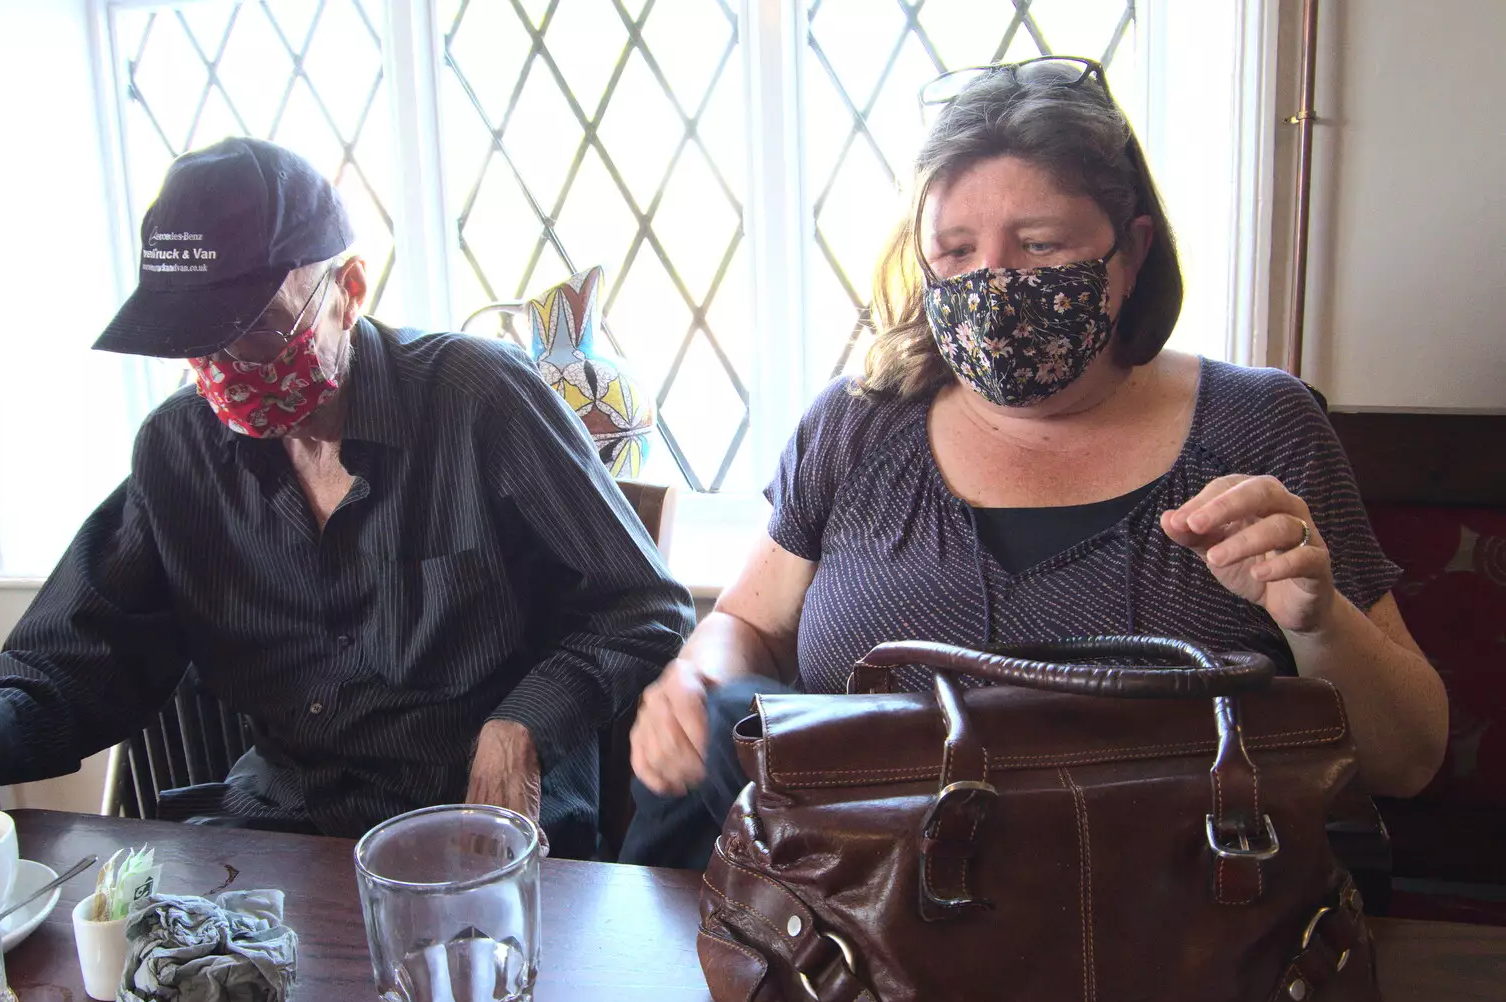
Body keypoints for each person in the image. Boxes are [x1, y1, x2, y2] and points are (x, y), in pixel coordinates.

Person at [620, 58, 1447, 869]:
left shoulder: (1262, 425)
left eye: (1041, 245)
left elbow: (1406, 760)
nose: (993, 283)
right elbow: (750, 625)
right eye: (954, 250)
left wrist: (1319, 620)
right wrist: (697, 684)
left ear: (1130, 254)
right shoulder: (857, 423)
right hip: (862, 929)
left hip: (1183, 935)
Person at [0, 138, 693, 857]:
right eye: (193, 339)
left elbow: (643, 604)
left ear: (348, 290)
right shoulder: (179, 452)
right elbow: (84, 650)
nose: (221, 369)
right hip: (282, 830)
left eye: (252, 332)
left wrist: (524, 722)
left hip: (483, 826)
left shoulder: (479, 400)